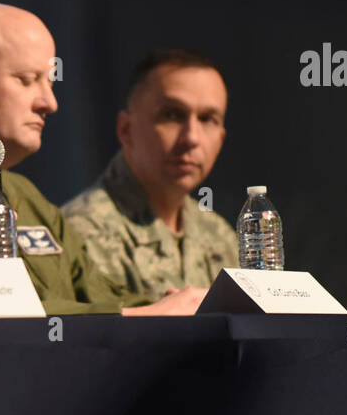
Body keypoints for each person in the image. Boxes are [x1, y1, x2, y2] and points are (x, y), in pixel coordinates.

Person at [0, 3, 205, 315]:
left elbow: (102, 297)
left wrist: (181, 306)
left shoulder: (25, 196)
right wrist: (144, 316)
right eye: (26, 79)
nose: (50, 103)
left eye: (50, 82)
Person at [63, 48, 238, 301]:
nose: (192, 138)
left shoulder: (220, 235)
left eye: (208, 119)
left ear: (221, 138)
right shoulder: (80, 233)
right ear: (126, 129)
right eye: (171, 115)